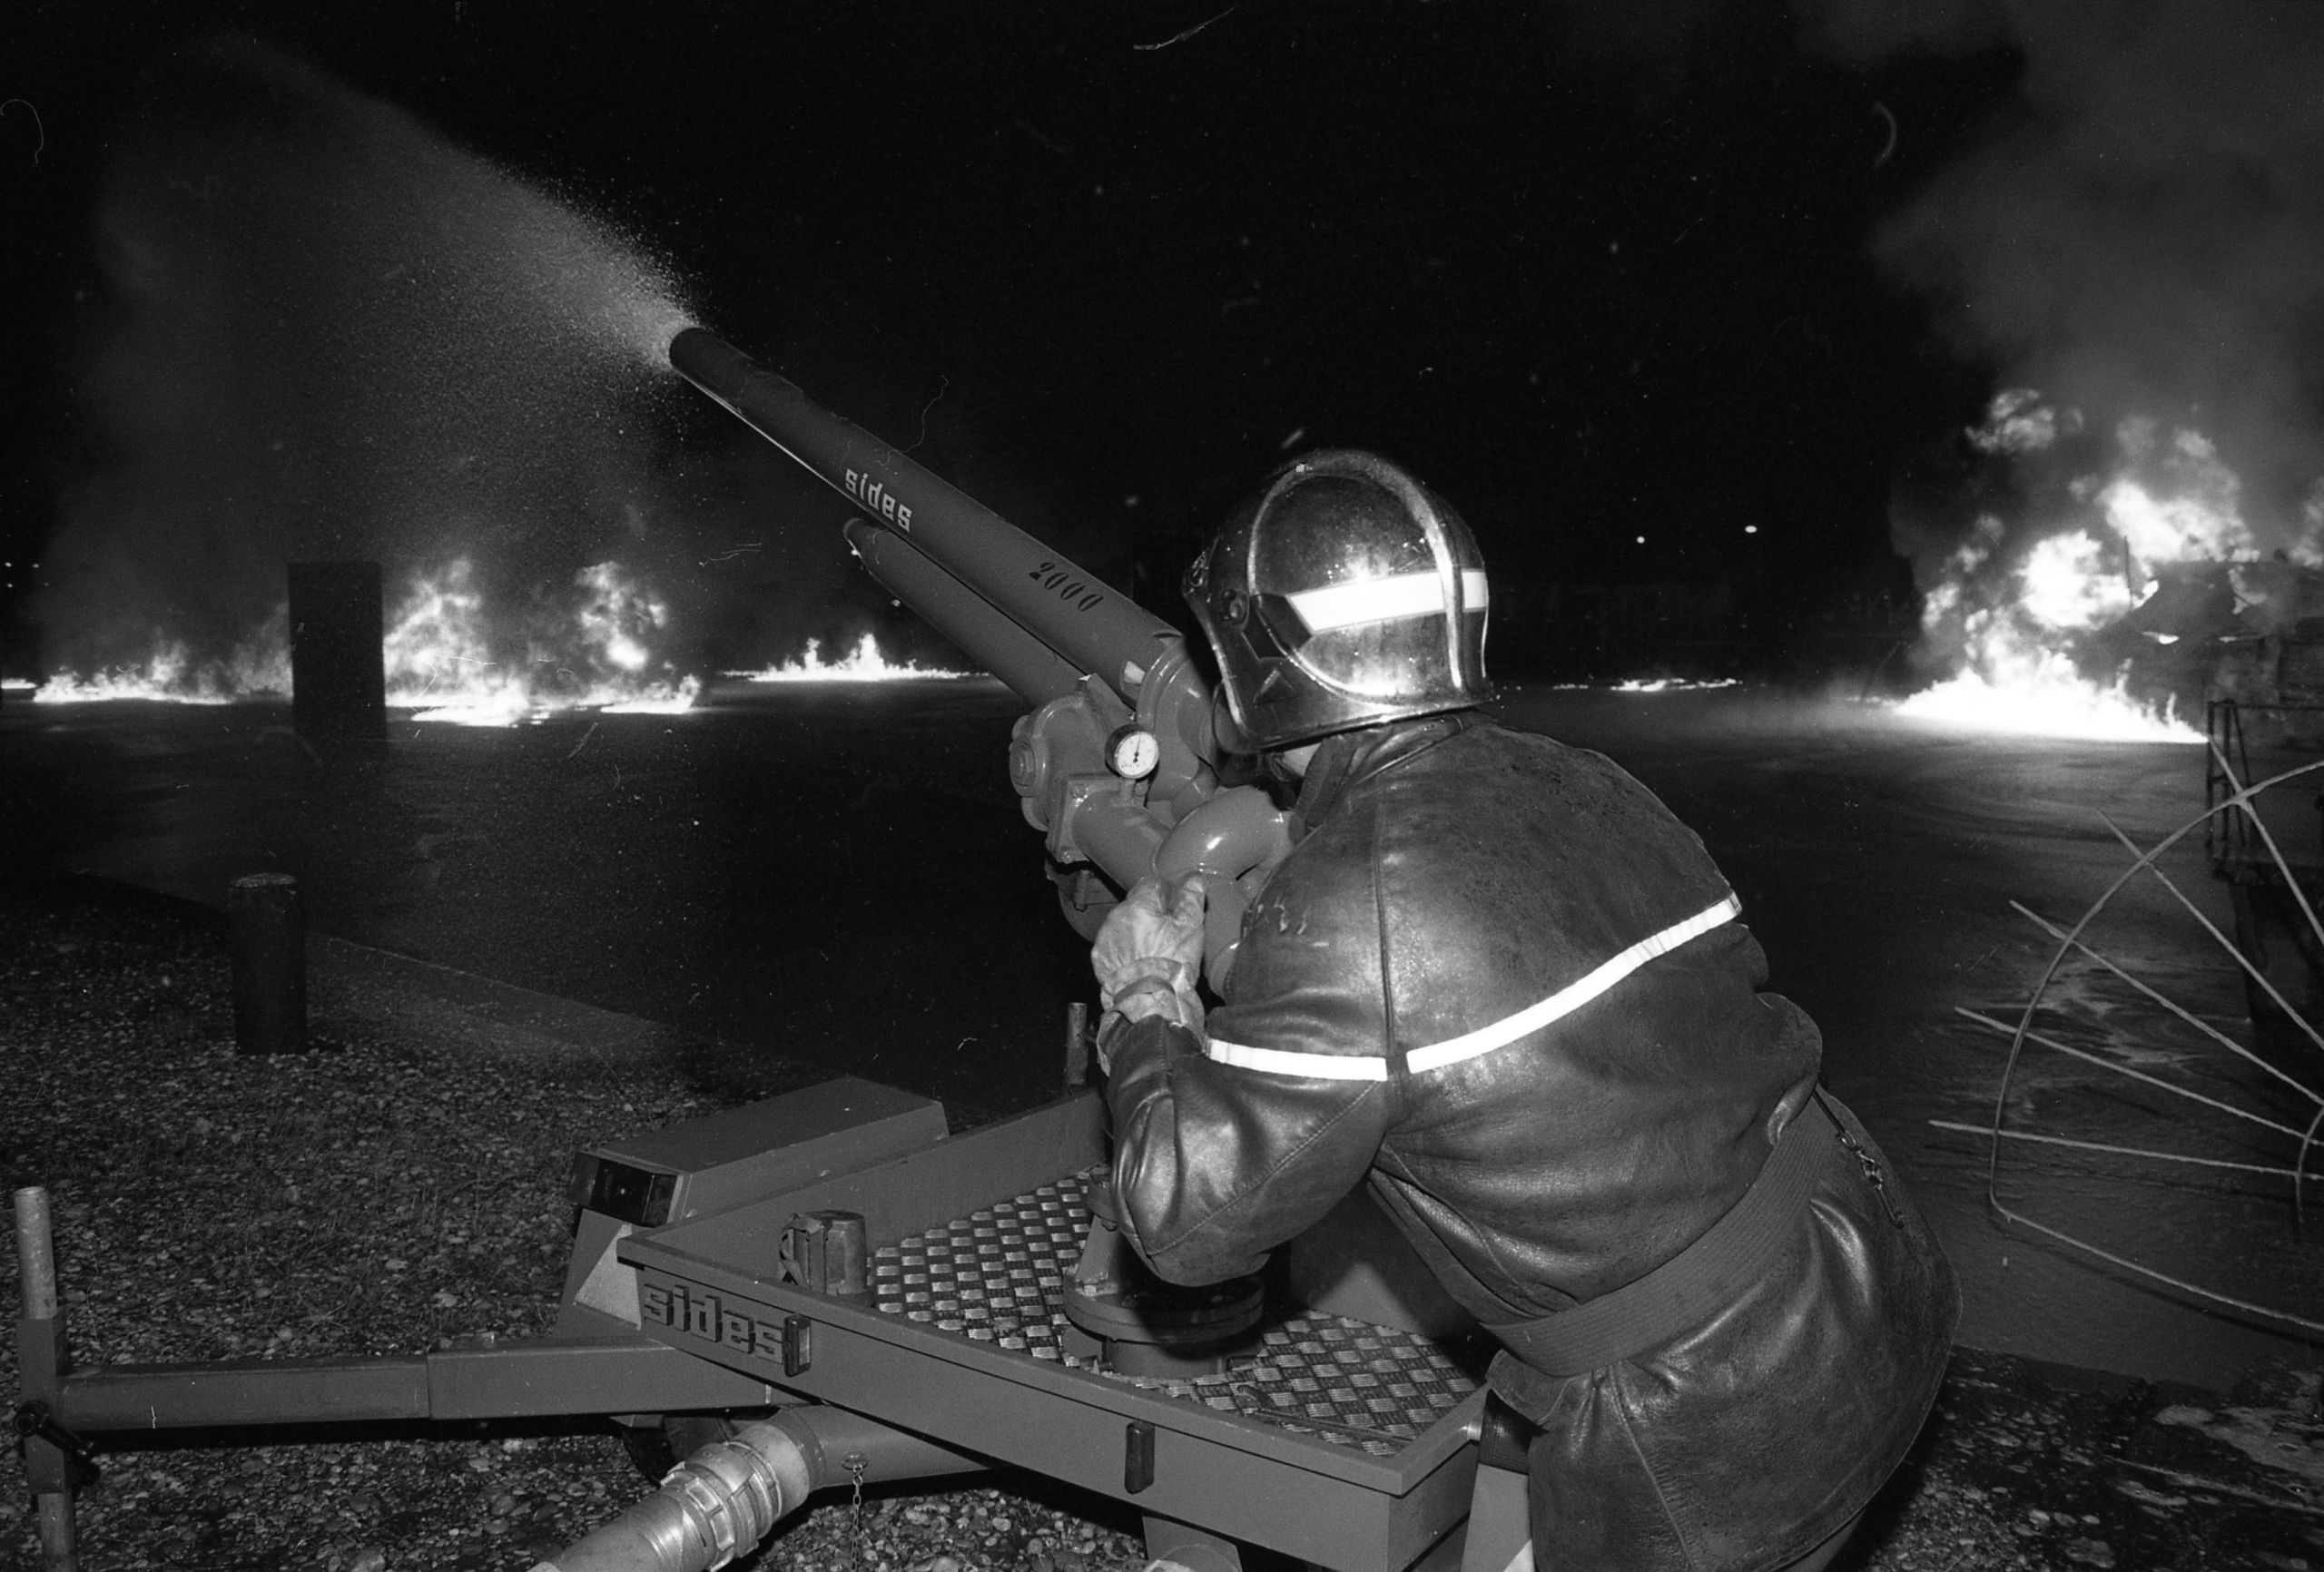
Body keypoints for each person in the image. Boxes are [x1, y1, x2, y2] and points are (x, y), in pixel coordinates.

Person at [1090, 450, 1957, 1572]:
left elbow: (1187, 1221)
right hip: (1868, 1280)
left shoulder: (1352, 898)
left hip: (1706, 1421)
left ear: (1268, 657)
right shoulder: (1585, 778)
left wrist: (1146, 1000)